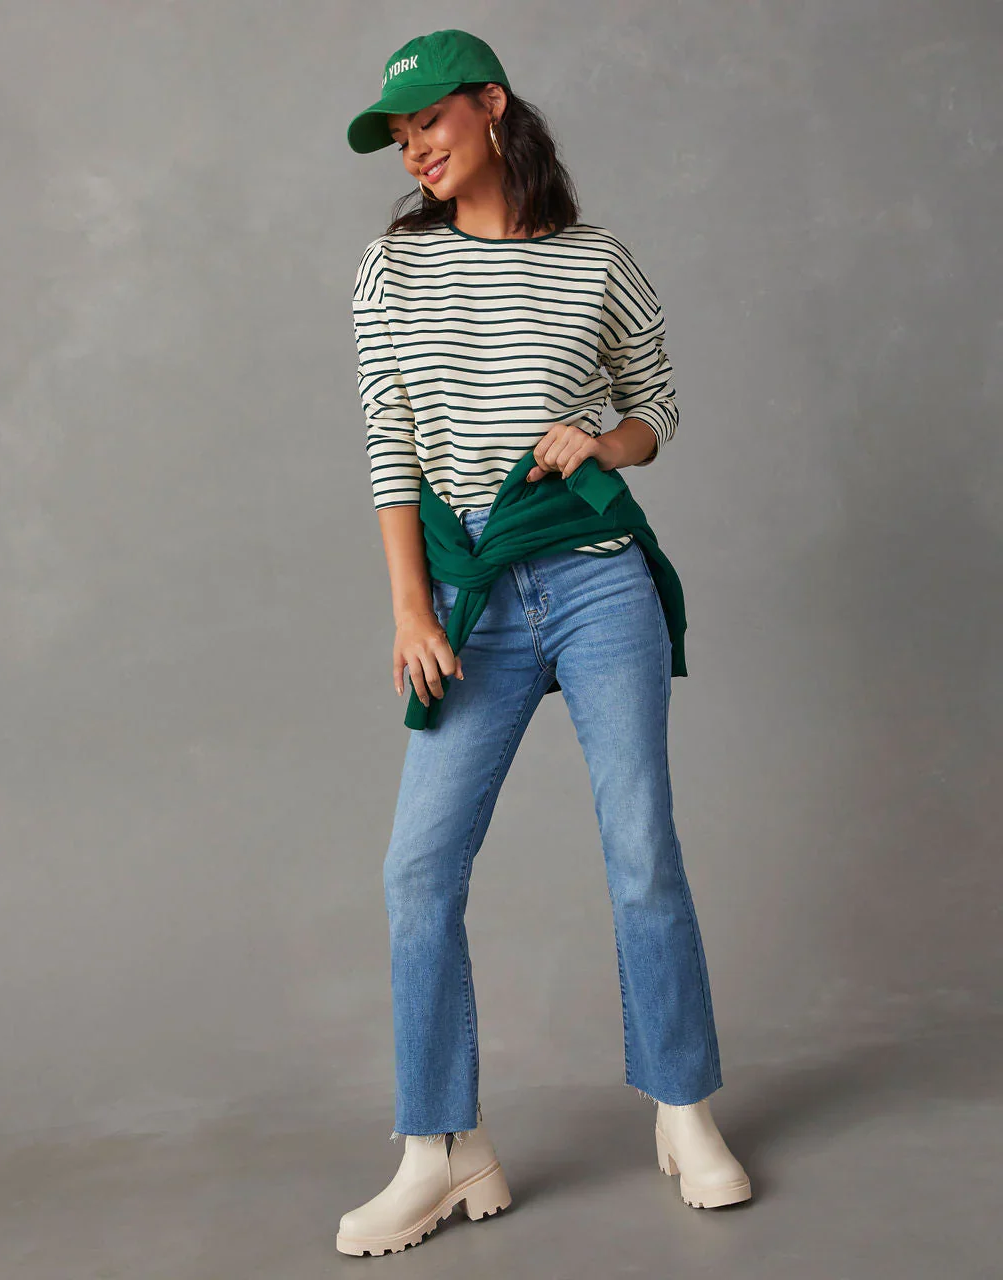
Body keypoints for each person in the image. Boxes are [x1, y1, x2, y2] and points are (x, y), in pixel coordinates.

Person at [337, 28, 752, 1258]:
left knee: (641, 849)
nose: (414, 148)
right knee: (418, 868)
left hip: (592, 574)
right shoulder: (391, 271)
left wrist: (601, 442)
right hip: (469, 592)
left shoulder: (597, 259)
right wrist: (409, 609)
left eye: (428, 120)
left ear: (489, 106)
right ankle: (440, 1146)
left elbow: (655, 402)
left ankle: (682, 1109)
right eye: (398, 135)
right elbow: (390, 448)